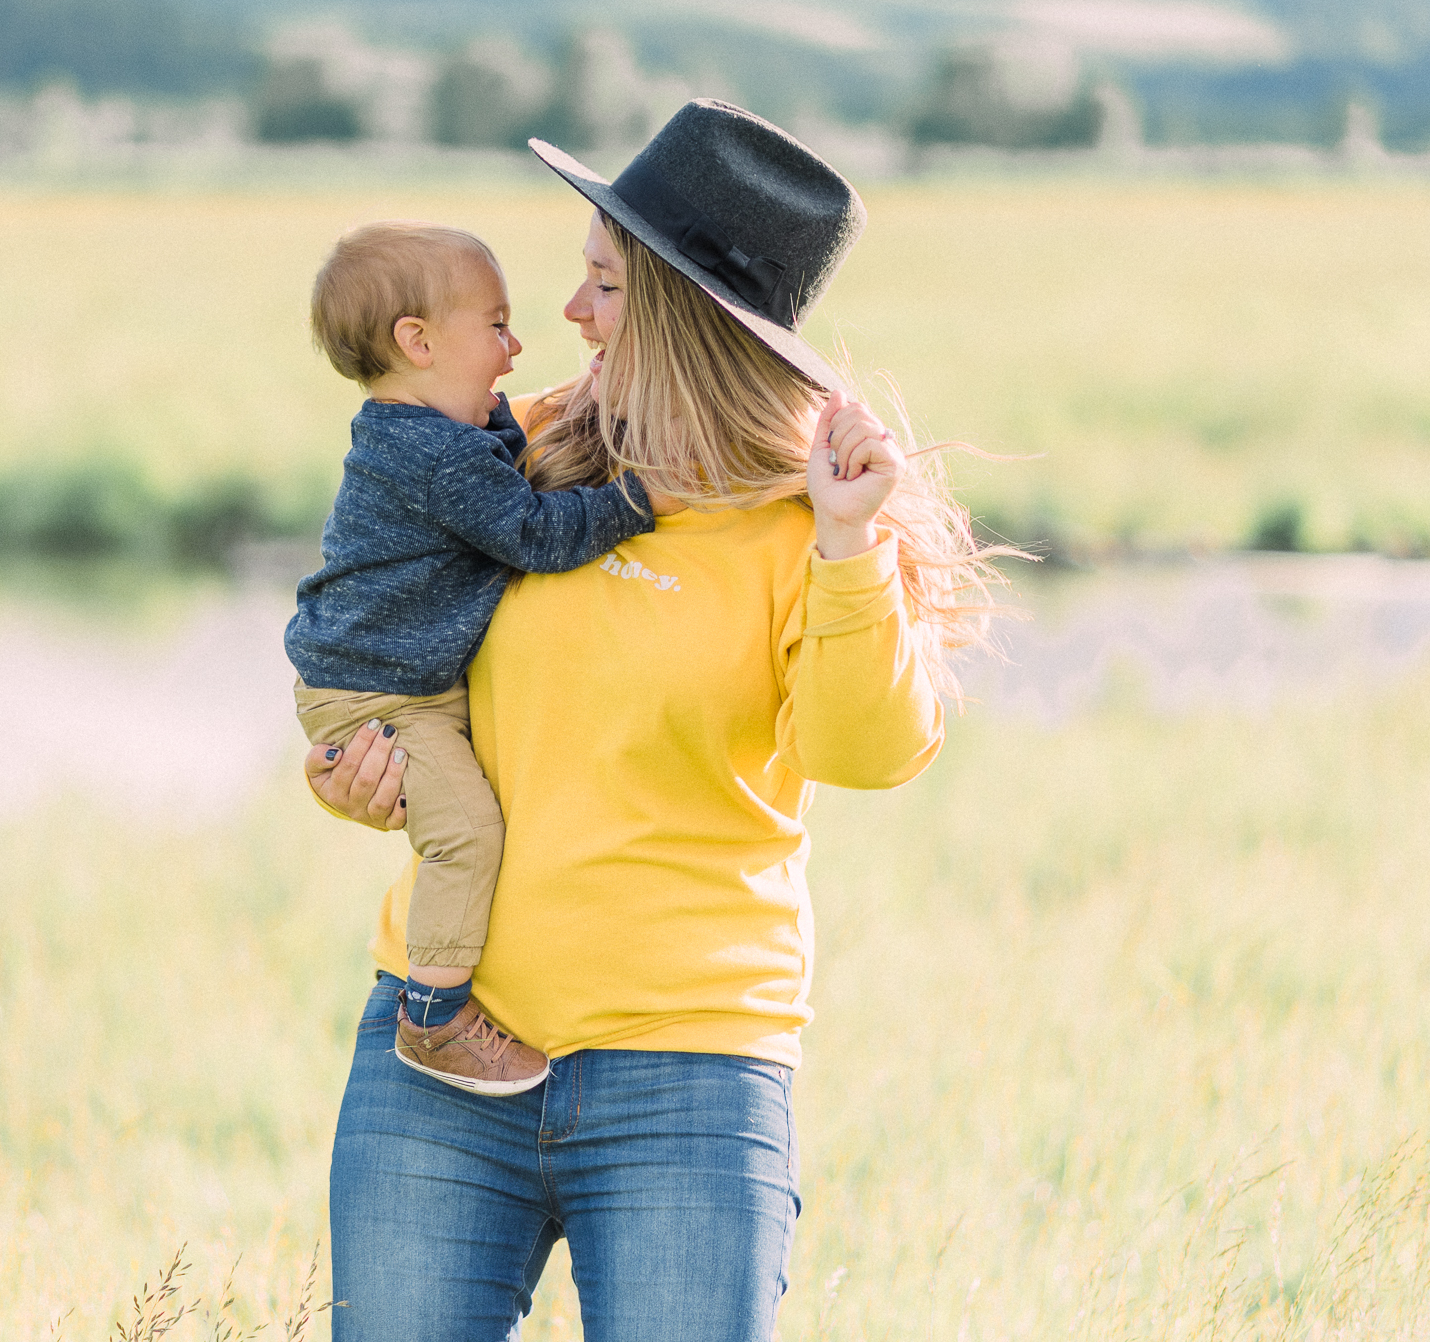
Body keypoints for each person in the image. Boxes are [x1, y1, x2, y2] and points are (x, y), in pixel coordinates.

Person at [304, 100, 1010, 1340]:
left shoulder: (808, 523)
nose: (568, 313)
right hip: (443, 1057)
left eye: (603, 284)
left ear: (683, 316)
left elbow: (865, 751)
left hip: (688, 1074)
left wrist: (848, 546)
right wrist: (345, 774)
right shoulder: (506, 457)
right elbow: (381, 640)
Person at [287, 220, 654, 1094]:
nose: (518, 346)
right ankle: (436, 1016)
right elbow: (532, 530)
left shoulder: (435, 429)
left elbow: (509, 454)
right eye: (496, 326)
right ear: (416, 342)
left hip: (388, 684)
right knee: (465, 834)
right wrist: (638, 499)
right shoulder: (438, 455)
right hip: (384, 699)